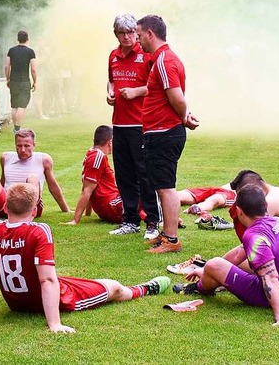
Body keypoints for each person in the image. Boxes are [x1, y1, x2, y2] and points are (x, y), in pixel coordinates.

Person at [0, 183, 171, 333]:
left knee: (74, 280)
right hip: (51, 299)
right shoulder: (39, 230)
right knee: (113, 287)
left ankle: (123, 287)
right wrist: (54, 324)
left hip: (17, 303)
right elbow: (47, 281)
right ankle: (144, 289)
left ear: (5, 208)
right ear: (35, 211)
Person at [175, 185, 279, 328]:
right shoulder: (278, 222)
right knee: (218, 265)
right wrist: (206, 271)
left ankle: (200, 287)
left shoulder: (254, 236)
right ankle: (209, 276)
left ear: (239, 211)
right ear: (265, 205)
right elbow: (239, 253)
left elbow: (270, 277)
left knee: (214, 264)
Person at [136, 15, 199, 254]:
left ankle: (171, 240)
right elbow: (174, 99)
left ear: (150, 34)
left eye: (140, 35)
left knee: (166, 187)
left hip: (164, 133)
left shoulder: (163, 60)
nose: (139, 40)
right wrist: (184, 117)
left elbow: (177, 98)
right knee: (162, 185)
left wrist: (183, 117)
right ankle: (166, 233)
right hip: (161, 132)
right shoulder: (163, 59)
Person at [106, 14, 161, 240]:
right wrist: (109, 93)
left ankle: (152, 221)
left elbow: (157, 86)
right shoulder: (113, 56)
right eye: (122, 33)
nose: (127, 37)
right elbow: (111, 80)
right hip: (119, 123)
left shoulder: (146, 54)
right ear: (116, 34)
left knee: (144, 173)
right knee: (124, 174)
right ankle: (129, 220)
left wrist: (136, 92)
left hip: (141, 122)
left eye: (130, 32)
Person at [0, 129, 69, 225]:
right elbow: (2, 183)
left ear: (34, 145)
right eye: (19, 146)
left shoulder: (43, 159)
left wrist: (65, 209)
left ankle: (26, 217)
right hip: (7, 205)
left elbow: (53, 186)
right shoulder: (6, 157)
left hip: (30, 207)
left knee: (33, 178)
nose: (23, 150)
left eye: (27, 146)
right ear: (15, 145)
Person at [62, 126, 145, 226]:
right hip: (112, 206)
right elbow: (87, 190)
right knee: (148, 185)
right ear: (110, 142)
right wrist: (75, 220)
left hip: (110, 205)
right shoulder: (98, 157)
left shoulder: (92, 154)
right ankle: (157, 219)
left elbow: (90, 187)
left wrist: (88, 214)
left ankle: (149, 215)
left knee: (138, 189)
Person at [5, 30, 37, 132]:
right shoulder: (30, 51)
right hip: (24, 81)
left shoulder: (11, 50)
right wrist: (35, 81)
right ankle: (18, 128)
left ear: (17, 39)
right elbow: (33, 69)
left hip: (13, 80)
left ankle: (16, 127)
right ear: (27, 39)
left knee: (14, 105)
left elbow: (7, 66)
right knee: (21, 106)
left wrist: (8, 78)